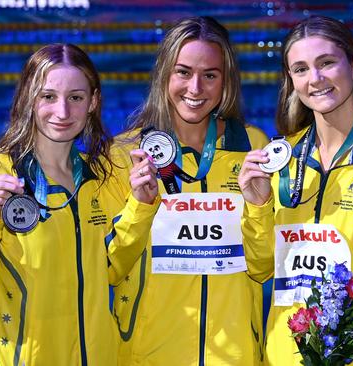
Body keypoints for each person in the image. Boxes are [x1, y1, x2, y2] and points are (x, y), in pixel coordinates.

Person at [0, 44, 159, 366]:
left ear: (92, 102)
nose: (62, 112)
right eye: (48, 96)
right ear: (28, 99)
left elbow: (110, 271)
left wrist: (141, 205)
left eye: (75, 98)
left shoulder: (101, 177)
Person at [238, 15, 353, 365]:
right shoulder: (282, 160)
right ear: (291, 80)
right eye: (301, 69)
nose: (316, 79)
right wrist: (258, 204)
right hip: (285, 356)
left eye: (326, 63)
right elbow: (259, 268)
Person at [111, 16, 269, 366]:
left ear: (225, 81)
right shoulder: (125, 154)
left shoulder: (253, 148)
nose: (195, 88)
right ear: (164, 74)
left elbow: (264, 267)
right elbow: (109, 266)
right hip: (147, 354)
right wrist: (140, 206)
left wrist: (259, 207)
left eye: (209, 75)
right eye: (183, 72)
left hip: (235, 354)